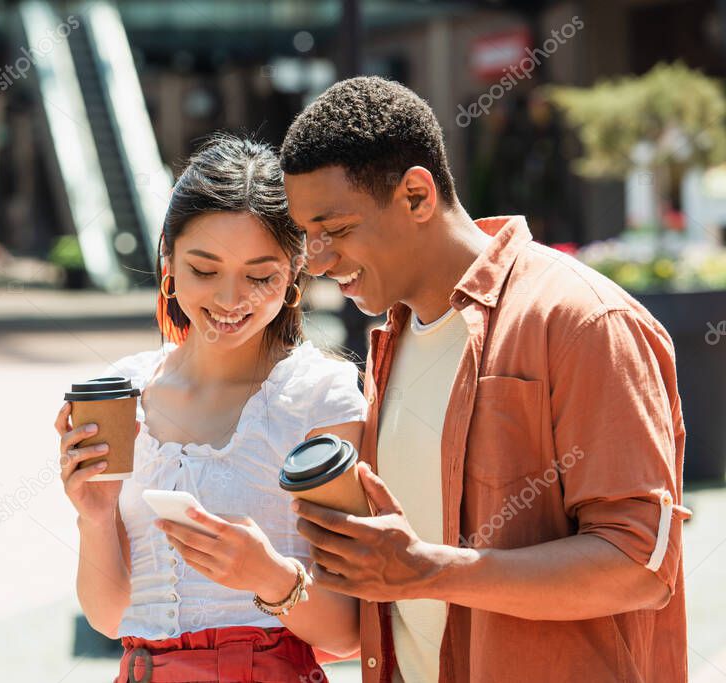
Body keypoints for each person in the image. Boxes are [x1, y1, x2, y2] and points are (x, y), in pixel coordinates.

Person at [279, 76, 690, 683]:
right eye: (306, 237)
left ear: (417, 196)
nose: (317, 261)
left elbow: (639, 563)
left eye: (334, 230)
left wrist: (429, 569)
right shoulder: (391, 340)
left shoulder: (581, 319)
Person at [55, 135, 367, 682]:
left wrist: (268, 576)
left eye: (260, 275)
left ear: (295, 272)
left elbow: (347, 634)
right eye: (204, 270)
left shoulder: (324, 397)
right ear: (169, 261)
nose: (229, 299)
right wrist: (94, 515)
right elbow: (108, 616)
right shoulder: (124, 390)